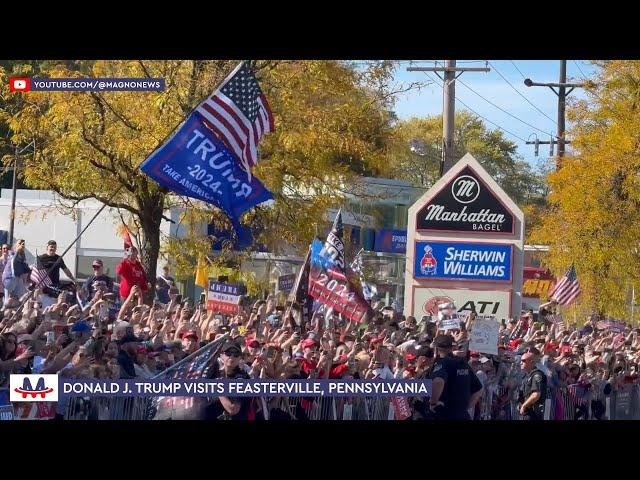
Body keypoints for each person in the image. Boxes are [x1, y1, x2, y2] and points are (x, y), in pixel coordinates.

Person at [428, 334, 483, 420]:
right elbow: (479, 390)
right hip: (463, 415)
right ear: (451, 348)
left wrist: (433, 403)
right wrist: (464, 408)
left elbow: (438, 381)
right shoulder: (463, 364)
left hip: (444, 415)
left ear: (436, 349)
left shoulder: (443, 363)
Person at [37, 240, 77, 308]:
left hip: (55, 284)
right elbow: (35, 269)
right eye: (51, 247)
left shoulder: (59, 258)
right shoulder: (40, 258)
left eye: (54, 247)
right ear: (47, 247)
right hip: (45, 285)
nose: (53, 249)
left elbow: (66, 270)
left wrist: (73, 279)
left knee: (69, 289)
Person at [518, 351, 548, 420]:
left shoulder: (536, 375)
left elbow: (536, 394)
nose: (521, 363)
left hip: (534, 412)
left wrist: (524, 405)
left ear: (531, 362)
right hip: (528, 411)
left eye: (523, 361)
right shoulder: (528, 375)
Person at [2, 239, 30, 305]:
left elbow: (25, 268)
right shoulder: (11, 253)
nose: (22, 245)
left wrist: (30, 269)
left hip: (18, 278)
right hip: (9, 278)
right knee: (7, 301)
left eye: (23, 244)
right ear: (15, 245)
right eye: (20, 243)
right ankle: (4, 310)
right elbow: (13, 262)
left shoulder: (22, 256)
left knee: (21, 297)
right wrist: (17, 251)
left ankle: (16, 310)